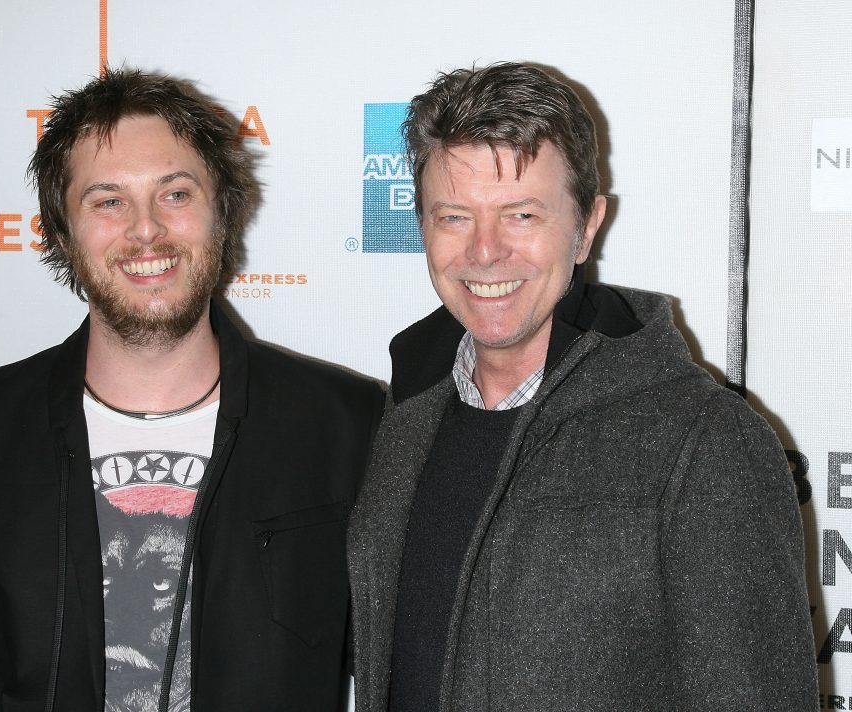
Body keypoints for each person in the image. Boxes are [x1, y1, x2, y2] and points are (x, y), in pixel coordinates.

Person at [0, 67, 382, 712]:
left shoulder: (347, 426)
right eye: (108, 201)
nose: (146, 229)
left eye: (175, 194)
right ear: (62, 232)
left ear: (222, 214)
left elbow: (407, 670)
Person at [347, 62, 818, 711]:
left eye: (521, 215)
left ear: (587, 226)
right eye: (454, 217)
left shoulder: (703, 441)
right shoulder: (403, 426)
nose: (484, 251)